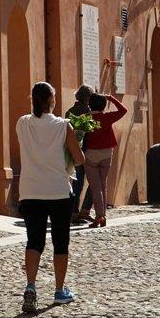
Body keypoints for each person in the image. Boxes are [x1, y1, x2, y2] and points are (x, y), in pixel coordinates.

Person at [16, 82, 85, 313]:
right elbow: (79, 158)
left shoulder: (22, 123)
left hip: (30, 190)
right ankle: (59, 290)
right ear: (52, 101)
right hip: (57, 191)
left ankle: (31, 286)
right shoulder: (63, 126)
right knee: (60, 241)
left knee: (34, 241)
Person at [85, 93, 127, 228]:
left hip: (90, 154)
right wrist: (110, 98)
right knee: (103, 184)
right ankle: (103, 216)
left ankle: (99, 215)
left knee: (95, 187)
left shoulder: (86, 119)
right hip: (106, 153)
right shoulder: (106, 117)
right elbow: (123, 110)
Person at [65, 85, 94, 224]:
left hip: (71, 150)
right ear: (88, 98)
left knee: (76, 181)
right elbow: (91, 131)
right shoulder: (88, 112)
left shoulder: (69, 111)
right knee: (91, 181)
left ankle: (73, 211)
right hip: (85, 150)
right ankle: (81, 210)